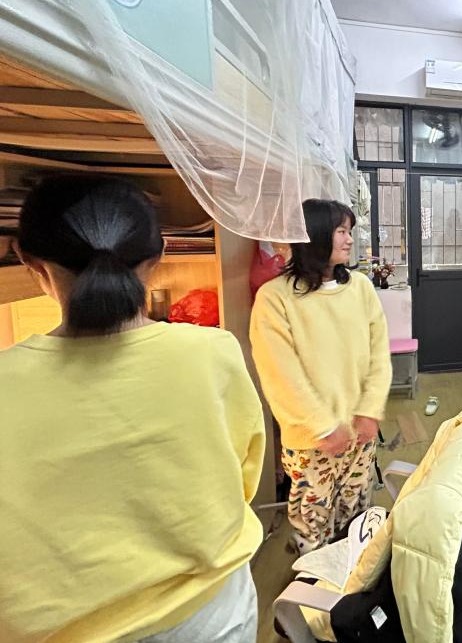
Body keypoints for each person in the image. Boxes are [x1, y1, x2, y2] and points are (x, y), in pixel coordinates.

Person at [0, 176, 265, 643]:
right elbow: (242, 478)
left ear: (29, 261)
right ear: (158, 256)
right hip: (211, 616)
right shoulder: (212, 352)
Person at [250, 199, 391, 555]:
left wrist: (370, 410)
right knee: (312, 527)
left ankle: (353, 583)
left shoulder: (360, 288)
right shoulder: (275, 298)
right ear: (313, 235)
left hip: (360, 433)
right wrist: (324, 426)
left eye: (349, 231)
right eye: (341, 231)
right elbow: (280, 374)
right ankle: (314, 585)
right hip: (312, 441)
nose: (349, 240)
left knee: (356, 519)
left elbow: (379, 354)